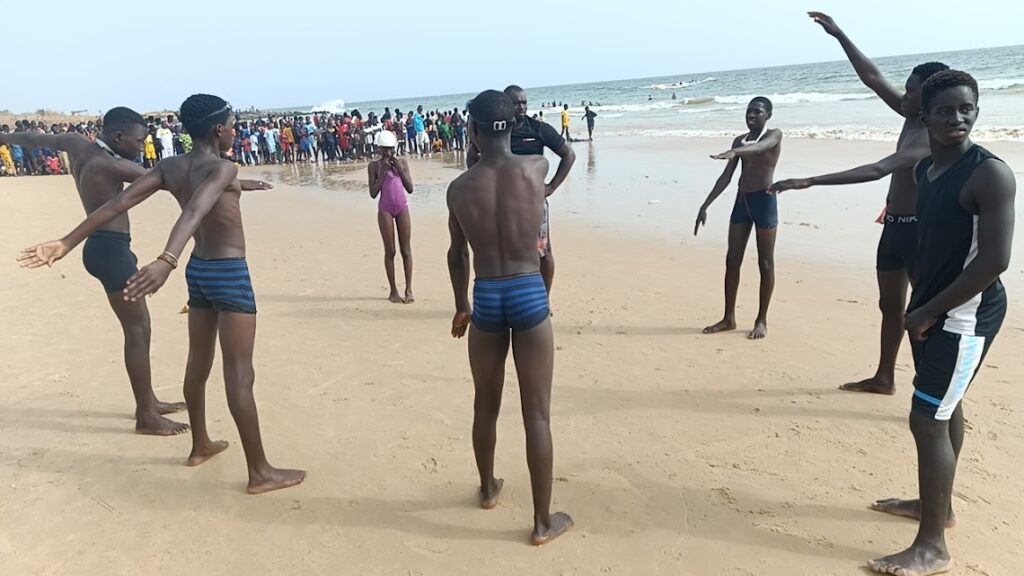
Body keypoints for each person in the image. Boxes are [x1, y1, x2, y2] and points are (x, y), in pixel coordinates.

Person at [19, 94, 304, 494]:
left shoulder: (172, 167)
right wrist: (166, 259)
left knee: (198, 363)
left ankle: (201, 445)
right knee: (240, 373)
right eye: (232, 125)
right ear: (217, 130)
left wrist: (68, 241)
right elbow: (196, 209)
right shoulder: (223, 167)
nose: (234, 131)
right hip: (228, 272)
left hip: (199, 272)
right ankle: (260, 472)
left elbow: (119, 202)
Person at [866, 70, 1015, 576]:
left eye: (966, 108)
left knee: (926, 417)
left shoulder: (989, 174)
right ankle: (937, 507)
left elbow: (994, 260)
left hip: (965, 314)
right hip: (933, 309)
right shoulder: (927, 169)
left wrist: (931, 310)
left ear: (977, 111)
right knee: (945, 409)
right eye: (946, 110)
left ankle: (932, 547)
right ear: (924, 116)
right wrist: (921, 305)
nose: (958, 118)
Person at [770, 12, 949, 395]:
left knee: (921, 314)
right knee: (890, 307)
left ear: (930, 96)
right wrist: (839, 35)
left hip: (920, 234)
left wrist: (810, 180)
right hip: (894, 229)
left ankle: (930, 388)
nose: (903, 95)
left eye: (910, 90)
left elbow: (878, 169)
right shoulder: (910, 114)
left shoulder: (929, 136)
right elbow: (872, 78)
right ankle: (884, 378)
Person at [2, 108, 190, 435]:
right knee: (138, 329)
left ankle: (148, 401)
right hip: (112, 252)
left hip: (103, 248)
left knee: (139, 328)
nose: (140, 146)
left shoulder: (77, 144)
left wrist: (4, 136)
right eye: (138, 141)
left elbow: (32, 138)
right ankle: (147, 416)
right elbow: (168, 180)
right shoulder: (111, 164)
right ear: (118, 137)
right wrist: (231, 181)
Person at [447, 89, 572, 546]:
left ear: (473, 130)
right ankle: (541, 523)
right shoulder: (535, 169)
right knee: (536, 415)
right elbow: (545, 236)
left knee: (485, 403)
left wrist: (461, 305)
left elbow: (458, 254)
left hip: (487, 294)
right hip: (527, 291)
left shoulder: (459, 189)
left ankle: (487, 489)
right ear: (514, 125)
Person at [467, 85, 576, 300]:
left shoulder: (538, 129)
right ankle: (511, 296)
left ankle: (544, 300)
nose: (521, 107)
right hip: (499, 200)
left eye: (524, 102)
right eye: (515, 103)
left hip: (532, 201)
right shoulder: (494, 133)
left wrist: (551, 187)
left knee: (543, 252)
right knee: (505, 252)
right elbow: (472, 156)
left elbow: (568, 155)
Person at [694, 97, 782, 339]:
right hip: (742, 202)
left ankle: (761, 320)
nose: (751, 115)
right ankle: (728, 318)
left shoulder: (774, 135)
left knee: (765, 263)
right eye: (748, 112)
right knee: (732, 260)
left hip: (764, 202)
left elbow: (760, 148)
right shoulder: (739, 140)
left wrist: (735, 151)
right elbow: (727, 177)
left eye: (757, 112)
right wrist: (705, 205)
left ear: (768, 115)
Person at [368, 130, 415, 304]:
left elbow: (410, 188)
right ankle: (393, 290)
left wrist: (399, 169)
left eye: (391, 149)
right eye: (385, 149)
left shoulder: (402, 162)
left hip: (402, 208)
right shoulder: (374, 166)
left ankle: (409, 289)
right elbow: (373, 193)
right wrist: (383, 173)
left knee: (406, 250)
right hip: (385, 210)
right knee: (390, 251)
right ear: (379, 148)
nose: (388, 153)